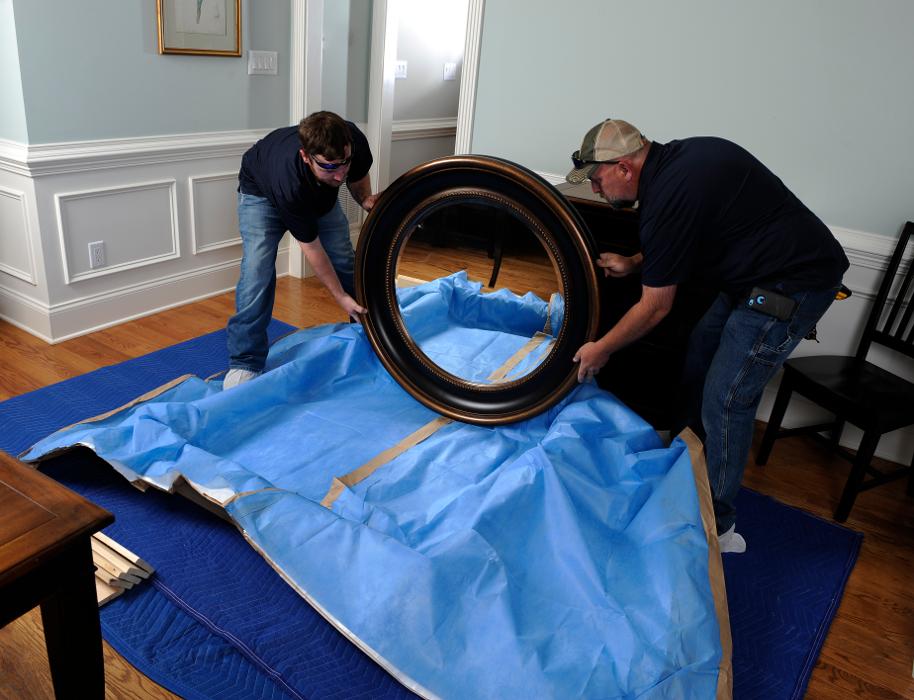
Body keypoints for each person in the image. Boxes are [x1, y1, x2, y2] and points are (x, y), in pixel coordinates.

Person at [568, 119, 849, 553]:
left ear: (624, 167)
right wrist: (636, 263)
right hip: (751, 278)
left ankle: (718, 526)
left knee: (727, 397)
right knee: (700, 351)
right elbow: (683, 230)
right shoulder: (680, 163)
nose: (595, 189)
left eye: (597, 179)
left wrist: (601, 349)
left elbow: (655, 307)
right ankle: (685, 455)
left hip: (792, 284)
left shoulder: (670, 191)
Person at [224, 111, 379, 389]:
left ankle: (370, 331)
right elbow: (313, 249)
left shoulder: (352, 140)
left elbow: (356, 176)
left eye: (344, 162)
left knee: (345, 258)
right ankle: (245, 361)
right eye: (329, 167)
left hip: (317, 196)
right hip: (261, 194)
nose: (340, 174)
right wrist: (339, 296)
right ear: (306, 157)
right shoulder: (289, 181)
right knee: (257, 272)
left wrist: (365, 199)